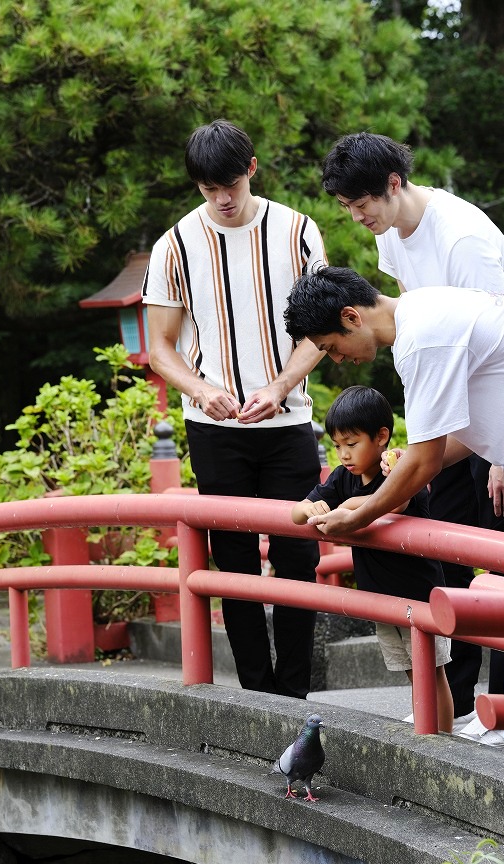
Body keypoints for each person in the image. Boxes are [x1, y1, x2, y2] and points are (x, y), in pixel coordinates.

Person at [283, 267, 504, 767]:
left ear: (351, 316)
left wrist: (363, 513)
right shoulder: (427, 314)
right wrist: (391, 482)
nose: (336, 358)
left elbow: (425, 461)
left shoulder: (421, 341)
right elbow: (454, 438)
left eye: (331, 345)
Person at [321, 132, 504, 732]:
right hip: (452, 417)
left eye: (361, 203)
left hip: (502, 415)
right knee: (448, 564)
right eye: (346, 207)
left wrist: (501, 453)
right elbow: (419, 322)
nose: (358, 217)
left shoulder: (462, 239)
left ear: (393, 183)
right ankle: (460, 708)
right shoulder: (393, 238)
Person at [141, 119, 327, 699]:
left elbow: (322, 330)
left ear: (252, 169)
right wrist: (198, 390)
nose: (221, 199)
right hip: (214, 427)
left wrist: (278, 386)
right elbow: (160, 346)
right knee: (234, 563)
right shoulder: (175, 243)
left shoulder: (297, 231)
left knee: (299, 555)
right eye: (207, 188)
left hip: (290, 419)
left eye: (229, 184)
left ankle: (294, 695)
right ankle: (256, 693)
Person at [291, 386, 454, 732]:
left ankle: (444, 741)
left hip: (419, 593)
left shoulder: (397, 472)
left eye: (352, 444)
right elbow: (296, 514)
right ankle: (428, 730)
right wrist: (309, 507)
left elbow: (393, 504)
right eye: (337, 446)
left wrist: (345, 508)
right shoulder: (340, 479)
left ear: (381, 437)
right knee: (414, 673)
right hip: (382, 597)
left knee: (433, 671)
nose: (344, 455)